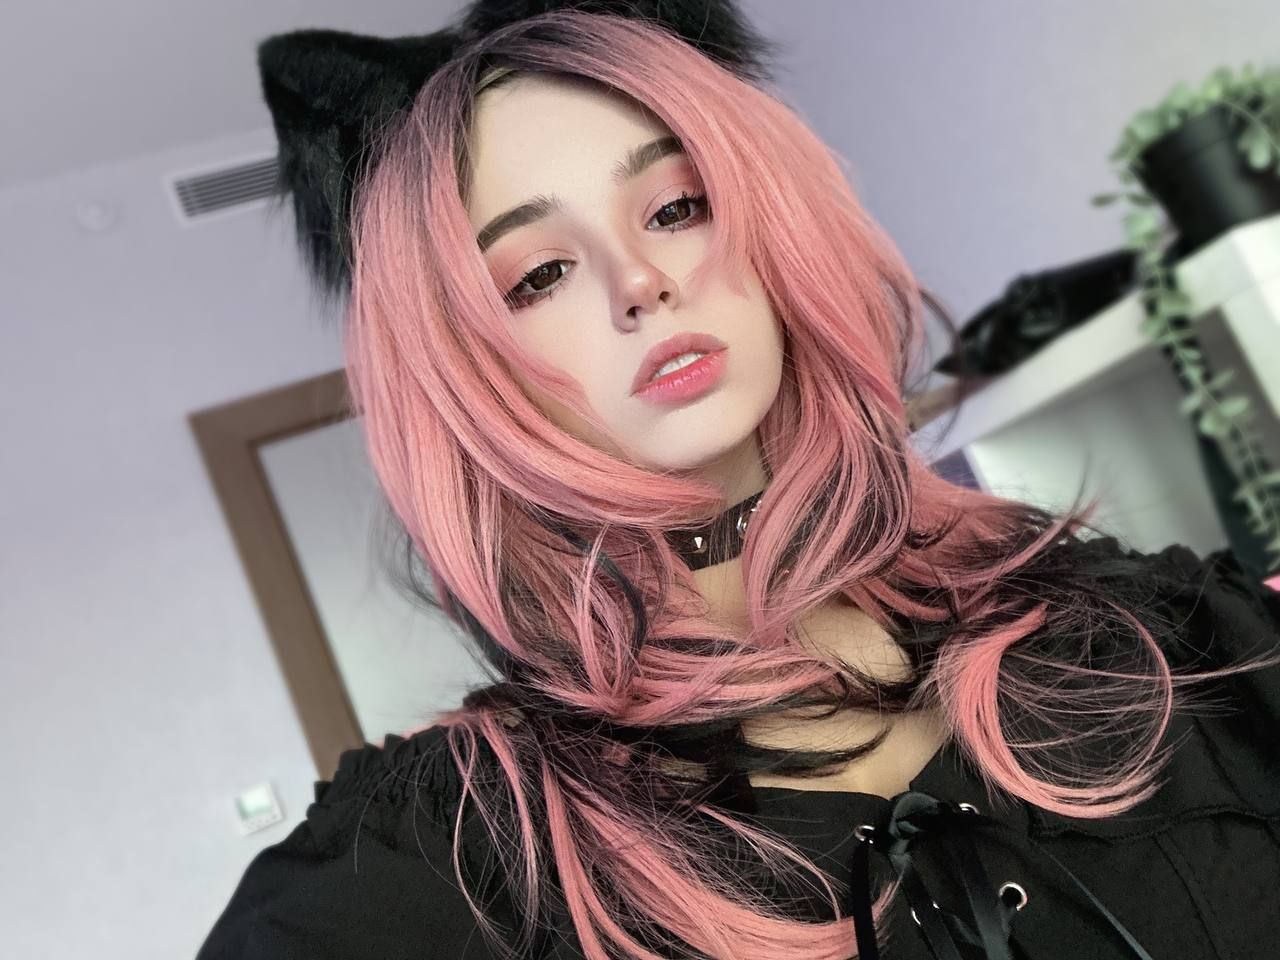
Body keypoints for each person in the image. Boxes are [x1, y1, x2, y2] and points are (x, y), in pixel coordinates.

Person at [197, 5, 1280, 959]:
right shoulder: (438, 864)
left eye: (675, 208)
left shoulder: (1154, 635)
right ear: (466, 373)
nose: (639, 282)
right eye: (539, 274)